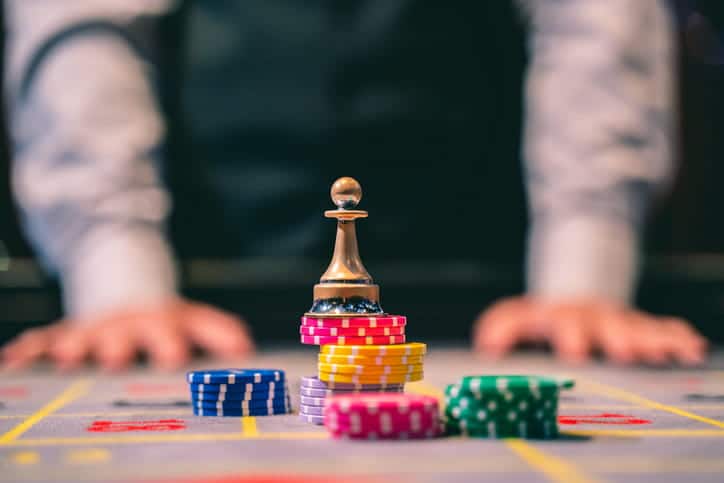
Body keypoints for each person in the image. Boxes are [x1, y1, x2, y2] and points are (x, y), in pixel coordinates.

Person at [1, 0, 707, 371]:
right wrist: (116, 277)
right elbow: (83, 31)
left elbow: (594, 21)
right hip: (198, 292)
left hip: (497, 286)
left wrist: (583, 271)